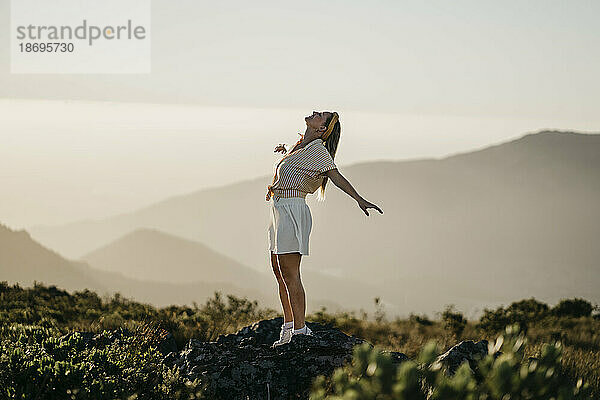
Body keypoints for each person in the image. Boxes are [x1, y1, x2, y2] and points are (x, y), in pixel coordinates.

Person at [267, 110, 383, 348]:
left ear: (322, 129)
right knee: (279, 273)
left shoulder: (318, 150)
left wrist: (359, 199)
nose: (315, 113)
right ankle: (288, 327)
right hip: (278, 210)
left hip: (293, 209)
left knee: (291, 274)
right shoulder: (300, 144)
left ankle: (299, 331)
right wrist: (285, 152)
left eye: (321, 115)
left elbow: (336, 176)